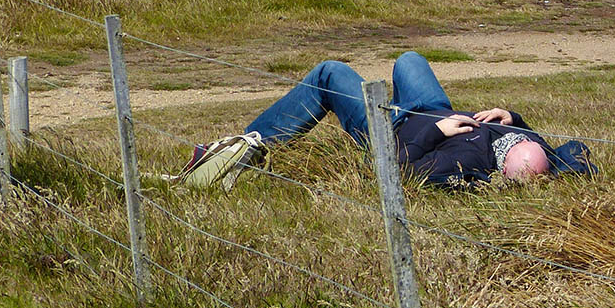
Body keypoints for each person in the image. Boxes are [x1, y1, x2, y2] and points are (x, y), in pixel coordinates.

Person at [244, 51, 596, 187]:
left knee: (329, 73)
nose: (514, 138)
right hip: (429, 104)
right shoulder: (527, 147)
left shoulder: (465, 161)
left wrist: (434, 132)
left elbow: (399, 169)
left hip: (390, 129)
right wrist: (512, 118)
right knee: (410, 60)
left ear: (502, 165)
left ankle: (247, 147)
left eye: (513, 142)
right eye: (519, 138)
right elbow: (573, 153)